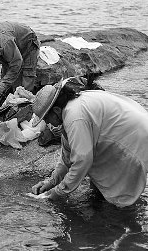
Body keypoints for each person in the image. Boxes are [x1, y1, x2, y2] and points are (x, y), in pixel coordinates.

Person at [30, 78, 148, 207]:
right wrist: (51, 182)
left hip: (133, 140)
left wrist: (57, 193)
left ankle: (122, 221)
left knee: (119, 202)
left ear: (57, 110)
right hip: (134, 128)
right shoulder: (74, 106)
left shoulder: (75, 116)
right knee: (100, 190)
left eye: (47, 118)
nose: (48, 123)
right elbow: (67, 156)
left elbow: (82, 161)